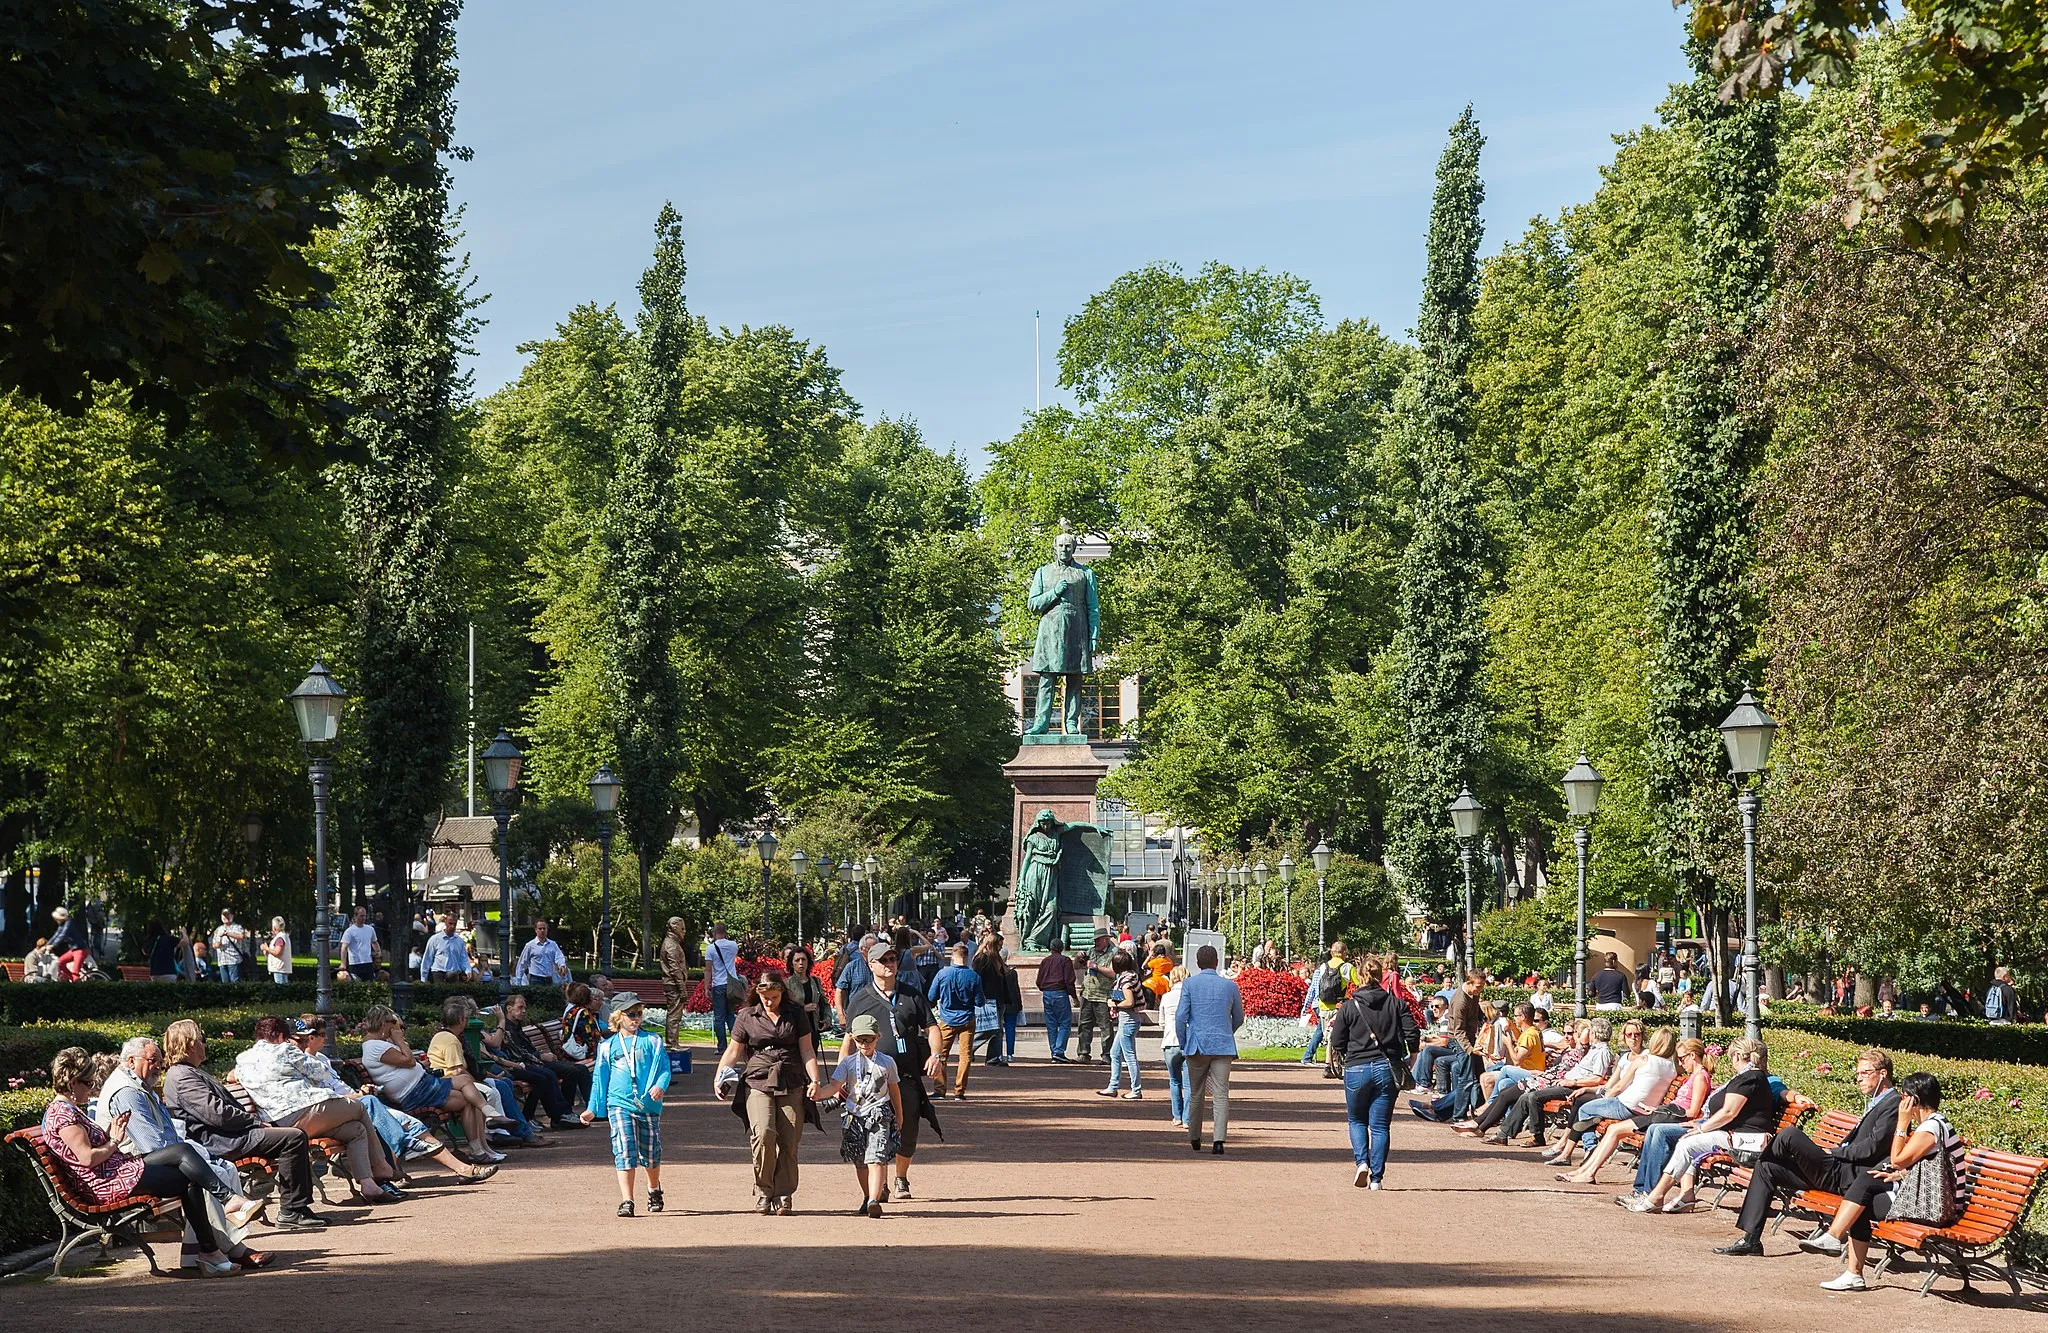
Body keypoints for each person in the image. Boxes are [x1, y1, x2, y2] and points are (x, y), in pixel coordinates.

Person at [42, 1047, 246, 1276]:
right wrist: (114, 1142)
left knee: (182, 1151)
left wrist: (111, 1139)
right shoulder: (63, 1115)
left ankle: (218, 1229)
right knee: (187, 1175)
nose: (91, 1091)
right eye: (88, 1084)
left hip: (117, 1171)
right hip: (106, 1183)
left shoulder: (67, 1110)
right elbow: (88, 1159)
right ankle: (213, 1242)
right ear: (72, 1084)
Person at [96, 1037, 270, 1269]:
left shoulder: (138, 1085)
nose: (158, 1065)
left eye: (160, 1060)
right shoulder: (127, 1091)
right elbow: (152, 1145)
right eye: (152, 1060)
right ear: (131, 1060)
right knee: (202, 1173)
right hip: (133, 1166)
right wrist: (188, 1156)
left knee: (222, 1168)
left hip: (150, 1159)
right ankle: (229, 1247)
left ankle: (214, 1247)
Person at [1717, 1047, 1901, 1256]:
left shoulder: (1892, 1104)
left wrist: (1834, 1152)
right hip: (1836, 1168)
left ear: (1883, 1074)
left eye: (1864, 1073)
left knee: (1790, 1135)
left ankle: (1759, 1154)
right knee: (1767, 1167)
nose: (1858, 1079)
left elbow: (1873, 1147)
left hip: (1844, 1174)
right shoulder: (1877, 1102)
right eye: (1857, 1073)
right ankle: (1751, 1240)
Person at [1799, 1072, 1965, 1291]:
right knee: (1864, 1191)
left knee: (1862, 1194)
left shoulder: (1929, 1129)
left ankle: (1841, 1251)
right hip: (1933, 1201)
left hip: (1934, 1208)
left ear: (1912, 1100)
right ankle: (1848, 1266)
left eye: (1904, 1096)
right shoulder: (1937, 1123)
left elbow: (1897, 1160)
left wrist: (1902, 1124)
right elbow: (1930, 1167)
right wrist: (1901, 1175)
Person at [158, 1019, 329, 1230]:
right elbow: (217, 1114)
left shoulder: (189, 1072)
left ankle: (296, 1208)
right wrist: (255, 1122)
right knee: (292, 1138)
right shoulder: (182, 1077)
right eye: (202, 1040)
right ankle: (292, 1210)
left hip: (228, 1134)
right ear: (191, 1044)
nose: (205, 1044)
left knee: (293, 1136)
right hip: (220, 1141)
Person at [290, 1019, 491, 1181]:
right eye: (315, 1036)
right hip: (342, 1109)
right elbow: (320, 1099)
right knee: (399, 1123)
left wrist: (359, 1092)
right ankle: (405, 1162)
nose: (321, 1039)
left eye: (319, 1035)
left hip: (356, 1104)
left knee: (411, 1123)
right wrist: (356, 1096)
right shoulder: (297, 1066)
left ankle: (460, 1168)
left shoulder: (323, 1060)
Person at [234, 1015, 404, 1201]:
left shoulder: (243, 1058)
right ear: (281, 1036)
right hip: (305, 1110)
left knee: (356, 1130)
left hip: (280, 1121)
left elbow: (231, 1076)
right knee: (359, 1107)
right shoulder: (285, 1049)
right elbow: (320, 1072)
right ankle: (381, 1166)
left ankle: (369, 1184)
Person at [1624, 1036, 1778, 1215]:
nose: (1731, 1063)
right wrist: (1698, 1125)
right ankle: (1684, 1196)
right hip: (1732, 1134)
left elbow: (1729, 1112)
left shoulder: (1749, 1078)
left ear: (1737, 1055)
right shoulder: (1749, 1076)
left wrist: (1701, 1128)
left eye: (1731, 1058)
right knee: (1687, 1139)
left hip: (1742, 1140)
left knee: (1686, 1143)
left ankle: (1655, 1196)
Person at [716, 967, 826, 1214]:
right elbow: (733, 1051)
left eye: (775, 997)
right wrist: (719, 1076)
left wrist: (815, 1080)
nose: (770, 1002)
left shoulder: (796, 1013)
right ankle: (765, 1190)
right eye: (765, 997)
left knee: (789, 1139)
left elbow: (807, 1050)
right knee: (764, 1133)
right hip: (758, 1079)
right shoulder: (747, 1016)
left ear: (782, 993)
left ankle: (784, 1193)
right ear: (758, 993)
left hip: (791, 1078)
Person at [842, 939, 943, 1200]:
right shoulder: (860, 999)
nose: (890, 964)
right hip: (871, 1079)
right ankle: (881, 1184)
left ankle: (901, 1177)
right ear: (871, 964)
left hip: (906, 1075)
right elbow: (848, 1040)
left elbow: (932, 1027)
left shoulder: (911, 994)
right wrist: (842, 1076)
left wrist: (936, 1055)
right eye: (883, 960)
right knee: (876, 1130)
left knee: (907, 1129)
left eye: (892, 959)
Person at [357, 1004, 500, 1160]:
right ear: (384, 1024)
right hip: (416, 1092)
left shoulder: (379, 1044)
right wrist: (400, 1041)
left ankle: (480, 1148)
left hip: (423, 1087)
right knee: (466, 1088)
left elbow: (407, 1064)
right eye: (393, 1025)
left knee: (468, 1095)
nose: (396, 1029)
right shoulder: (375, 1046)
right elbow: (409, 1061)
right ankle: (483, 1132)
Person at [1563, 1035, 1709, 1186]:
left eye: (1682, 1059)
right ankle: (1584, 1171)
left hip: (1667, 1117)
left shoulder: (1700, 1077)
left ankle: (1588, 1170)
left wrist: (1661, 1111)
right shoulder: (1690, 1074)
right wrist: (1658, 1109)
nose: (1680, 1063)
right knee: (1613, 1129)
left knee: (1612, 1129)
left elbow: (1692, 1112)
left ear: (1693, 1055)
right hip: (1661, 1113)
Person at [1331, 956, 1420, 1190]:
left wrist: (1344, 1054)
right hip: (1386, 1065)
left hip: (1356, 1067)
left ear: (1359, 977)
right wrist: (1412, 1054)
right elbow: (1412, 1031)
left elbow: (1337, 1040)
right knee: (1380, 1126)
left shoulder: (1350, 1006)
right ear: (1381, 976)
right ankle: (1377, 1179)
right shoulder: (1396, 1003)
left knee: (1356, 1120)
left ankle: (1362, 1162)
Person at [580, 995, 669, 1216]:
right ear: (619, 1017)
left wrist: (660, 1086)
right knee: (624, 1146)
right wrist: (592, 1108)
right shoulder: (607, 1046)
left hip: (647, 1104)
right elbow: (600, 1080)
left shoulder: (652, 1041)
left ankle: (654, 1188)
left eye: (639, 1013)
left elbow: (665, 1069)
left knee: (650, 1152)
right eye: (631, 1014)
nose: (636, 1018)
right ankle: (627, 1200)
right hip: (618, 1103)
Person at [1549, 1025, 1678, 1172]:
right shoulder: (1673, 1067)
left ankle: (1590, 1147)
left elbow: (1619, 1087)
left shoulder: (1643, 1059)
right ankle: (1581, 1144)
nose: (1633, 1037)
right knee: (1587, 1106)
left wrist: (1603, 1099)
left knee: (1584, 1110)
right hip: (1644, 1111)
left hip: (1626, 1105)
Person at [814, 1013, 903, 1219]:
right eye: (860, 1039)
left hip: (879, 1114)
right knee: (860, 1161)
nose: (865, 1044)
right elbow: (835, 1086)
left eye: (869, 1039)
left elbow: (895, 1091)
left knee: (877, 1158)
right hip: (854, 1116)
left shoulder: (887, 1063)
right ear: (853, 1038)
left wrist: (899, 1116)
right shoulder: (847, 1063)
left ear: (878, 1037)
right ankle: (866, 1196)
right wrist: (819, 1094)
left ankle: (874, 1200)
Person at [431, 996, 548, 1147]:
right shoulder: (451, 1038)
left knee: (504, 1084)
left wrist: (490, 1075)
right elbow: (459, 1070)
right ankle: (502, 1133)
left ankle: (507, 1132)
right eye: (468, 1017)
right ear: (460, 1019)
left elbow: (472, 1063)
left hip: (469, 1077)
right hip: (457, 1082)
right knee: (496, 1089)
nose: (471, 1019)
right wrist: (501, 1021)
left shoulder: (459, 1036)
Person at [1177, 944, 1244, 1154]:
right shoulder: (1230, 986)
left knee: (1196, 1093)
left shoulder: (1189, 984)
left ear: (1197, 963)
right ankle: (1218, 1140)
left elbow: (1181, 1017)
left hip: (1196, 1045)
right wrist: (1227, 1030)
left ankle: (1195, 1136)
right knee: (1221, 1093)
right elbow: (1239, 1017)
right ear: (1217, 962)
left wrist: (1183, 1041)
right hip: (1223, 1045)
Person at [1410, 971, 1487, 1122]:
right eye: (1478, 986)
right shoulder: (1460, 1001)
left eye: (1483, 986)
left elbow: (1476, 1010)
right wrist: (1470, 1049)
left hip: (1469, 1039)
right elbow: (1458, 1031)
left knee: (1479, 1077)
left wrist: (1485, 1019)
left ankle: (1440, 1108)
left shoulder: (1473, 993)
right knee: (1467, 1079)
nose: (1481, 989)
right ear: (1469, 983)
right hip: (1461, 1040)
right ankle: (1457, 1115)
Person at [928, 943, 985, 1099]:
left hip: (947, 1018)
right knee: (965, 1056)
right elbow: (980, 1001)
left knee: (940, 1054)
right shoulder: (974, 976)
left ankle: (940, 1089)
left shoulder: (942, 974)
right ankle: (959, 1091)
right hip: (967, 1018)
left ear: (953, 957)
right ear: (967, 957)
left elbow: (932, 996)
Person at [1096, 949, 1146, 1099]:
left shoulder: (1125, 981)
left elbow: (1129, 1001)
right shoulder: (1129, 976)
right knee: (1115, 1053)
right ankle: (1113, 1086)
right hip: (1128, 1019)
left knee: (1129, 1056)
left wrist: (1114, 1004)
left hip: (1128, 1020)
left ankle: (1136, 1090)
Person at [1301, 941, 1355, 1076]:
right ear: (1344, 953)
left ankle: (1329, 1065)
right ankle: (1335, 1063)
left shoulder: (1323, 967)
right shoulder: (1347, 967)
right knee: (1340, 1035)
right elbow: (1360, 982)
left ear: (1331, 952)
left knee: (1330, 1037)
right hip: (1339, 1005)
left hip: (1323, 1005)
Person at [1075, 932, 1117, 1064]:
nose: (1096, 942)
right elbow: (1076, 966)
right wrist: (1078, 957)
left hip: (1103, 996)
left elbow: (1114, 973)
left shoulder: (1114, 953)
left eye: (1098, 940)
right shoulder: (1091, 951)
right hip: (1087, 994)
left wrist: (1096, 967)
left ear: (1106, 940)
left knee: (1106, 1028)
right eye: (1095, 940)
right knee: (1084, 1025)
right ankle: (1083, 1054)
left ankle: (1107, 1055)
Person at [1160, 965, 1190, 1129]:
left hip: (1170, 1042)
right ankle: (1187, 1119)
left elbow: (1161, 1022)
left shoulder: (1166, 997)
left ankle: (1177, 1116)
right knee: (1189, 1084)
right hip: (1188, 1042)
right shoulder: (1190, 996)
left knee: (1174, 1080)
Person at [971, 936, 1009, 1067]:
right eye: (999, 945)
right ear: (992, 945)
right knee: (991, 1029)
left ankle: (994, 1057)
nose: (1000, 948)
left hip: (998, 997)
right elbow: (977, 979)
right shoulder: (982, 958)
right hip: (989, 998)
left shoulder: (994, 959)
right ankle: (969, 1049)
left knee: (997, 1030)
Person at [1036, 944, 1076, 1062]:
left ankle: (1054, 1051)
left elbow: (1039, 980)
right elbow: (1069, 981)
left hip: (1047, 993)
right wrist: (1074, 996)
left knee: (1051, 1024)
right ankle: (1059, 1051)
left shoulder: (1045, 961)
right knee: (1064, 1023)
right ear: (1061, 948)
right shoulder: (1065, 960)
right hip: (1060, 992)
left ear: (1051, 948)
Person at [706, 921, 742, 1053]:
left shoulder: (711, 948)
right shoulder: (733, 945)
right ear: (725, 932)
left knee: (719, 1018)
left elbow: (708, 969)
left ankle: (722, 1047)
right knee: (731, 1015)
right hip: (731, 984)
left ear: (714, 933)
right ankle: (736, 1045)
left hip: (718, 984)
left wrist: (706, 987)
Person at [658, 917, 691, 1045]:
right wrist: (682, 989)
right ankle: (672, 1043)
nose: (684, 931)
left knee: (675, 1015)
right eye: (682, 928)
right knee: (674, 1016)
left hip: (673, 984)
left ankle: (673, 1042)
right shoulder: (671, 945)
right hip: (674, 985)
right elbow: (675, 969)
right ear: (675, 927)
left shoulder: (672, 943)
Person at [514, 919, 572, 987]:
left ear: (547, 930)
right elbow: (522, 963)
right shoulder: (530, 945)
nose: (542, 931)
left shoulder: (553, 944)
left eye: (544, 928)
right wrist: (518, 981)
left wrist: (562, 965)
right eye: (540, 928)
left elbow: (559, 956)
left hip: (549, 979)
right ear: (536, 930)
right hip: (535, 979)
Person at [419, 913, 471, 982]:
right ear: (445, 922)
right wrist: (423, 978)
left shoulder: (459, 941)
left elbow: (463, 958)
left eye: (454, 924)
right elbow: (427, 958)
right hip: (439, 973)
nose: (452, 926)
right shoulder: (435, 939)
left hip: (454, 974)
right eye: (450, 923)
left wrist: (468, 970)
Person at [49, 905, 92, 981]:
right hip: (73, 950)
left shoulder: (69, 923)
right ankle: (73, 980)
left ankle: (77, 986)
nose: (55, 920)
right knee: (60, 963)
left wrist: (53, 945)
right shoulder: (62, 925)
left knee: (75, 972)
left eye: (56, 918)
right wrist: (47, 944)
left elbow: (62, 935)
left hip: (80, 950)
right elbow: (56, 935)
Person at [339, 906, 380, 982]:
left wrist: (378, 953)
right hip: (355, 963)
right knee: (356, 985)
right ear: (355, 916)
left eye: (365, 916)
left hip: (368, 962)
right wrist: (343, 963)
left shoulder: (370, 929)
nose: (363, 918)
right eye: (361, 916)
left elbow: (374, 942)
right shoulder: (350, 931)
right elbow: (344, 948)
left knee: (369, 985)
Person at [210, 910, 248, 983]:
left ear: (232, 916)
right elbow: (214, 944)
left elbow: (241, 936)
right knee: (225, 984)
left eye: (228, 915)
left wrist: (227, 934)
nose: (225, 917)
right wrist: (216, 945)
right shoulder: (218, 929)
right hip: (222, 961)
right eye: (224, 915)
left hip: (233, 960)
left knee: (234, 983)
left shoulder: (237, 927)